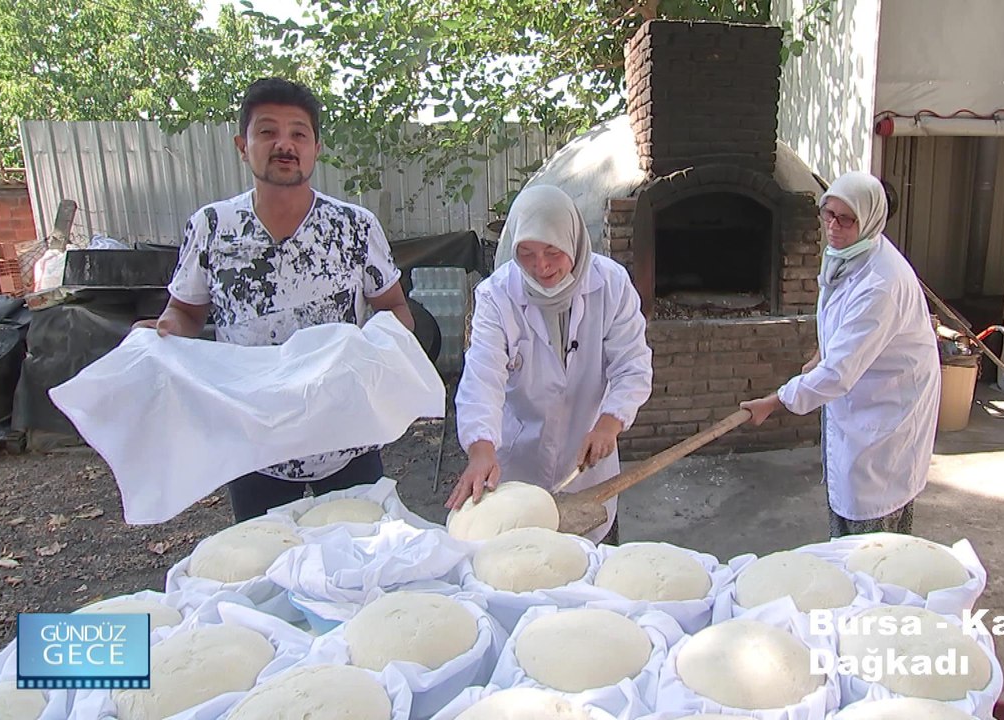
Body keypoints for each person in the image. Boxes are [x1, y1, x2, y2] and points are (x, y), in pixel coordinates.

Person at [133, 77, 416, 522]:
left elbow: (396, 310)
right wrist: (164, 330)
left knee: (358, 570)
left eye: (298, 133)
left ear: (316, 148)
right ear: (242, 146)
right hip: (253, 439)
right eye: (267, 131)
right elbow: (186, 312)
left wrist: (368, 354)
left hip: (344, 435)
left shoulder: (353, 228)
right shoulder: (213, 228)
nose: (284, 144)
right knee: (266, 566)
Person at [447, 184, 652, 544]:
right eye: (525, 252)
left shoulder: (612, 285)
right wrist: (481, 450)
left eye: (553, 251)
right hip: (516, 469)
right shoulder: (497, 297)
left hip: (586, 474)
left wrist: (608, 425)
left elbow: (632, 366)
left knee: (592, 582)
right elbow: (483, 378)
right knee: (519, 570)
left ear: (572, 241)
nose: (540, 267)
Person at [740, 171, 940, 538]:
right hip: (861, 393)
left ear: (870, 220)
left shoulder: (881, 284)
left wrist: (774, 401)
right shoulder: (847, 254)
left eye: (845, 219)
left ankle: (873, 590)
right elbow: (836, 313)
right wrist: (821, 350)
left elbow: (838, 375)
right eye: (827, 214)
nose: (833, 226)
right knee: (848, 494)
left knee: (872, 519)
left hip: (887, 404)